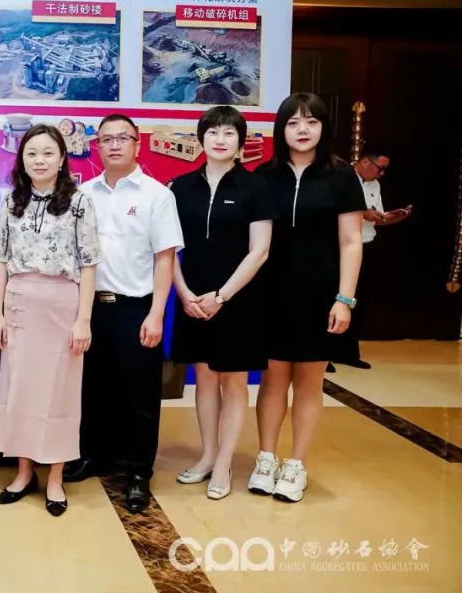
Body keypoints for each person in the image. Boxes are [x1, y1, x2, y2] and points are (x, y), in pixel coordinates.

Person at [65, 114, 184, 514]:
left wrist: (157, 314)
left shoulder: (157, 195)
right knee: (93, 389)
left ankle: (138, 473)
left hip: (136, 308)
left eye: (123, 138)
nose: (114, 145)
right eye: (106, 139)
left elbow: (165, 258)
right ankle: (93, 456)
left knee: (141, 395)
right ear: (96, 146)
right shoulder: (84, 194)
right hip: (91, 308)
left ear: (137, 144)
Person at [250, 92, 364, 503]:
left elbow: (351, 241)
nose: (302, 129)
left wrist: (344, 299)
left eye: (311, 122)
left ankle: (296, 464)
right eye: (294, 122)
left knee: (309, 382)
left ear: (323, 128)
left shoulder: (341, 176)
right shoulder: (264, 176)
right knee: (273, 378)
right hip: (271, 293)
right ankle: (266, 458)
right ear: (281, 129)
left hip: (320, 295)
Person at [0, 125, 99, 517]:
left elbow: (89, 264)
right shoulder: (10, 201)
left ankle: (55, 477)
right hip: (19, 304)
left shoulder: (80, 202)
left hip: (62, 306)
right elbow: (0, 261)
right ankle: (24, 473)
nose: (40, 160)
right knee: (20, 390)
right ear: (22, 158)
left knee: (59, 393)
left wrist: (83, 320)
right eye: (32, 153)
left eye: (48, 153)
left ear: (62, 158)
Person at [168, 106, 274, 500]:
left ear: (241, 142)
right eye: (212, 132)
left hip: (239, 300)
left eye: (229, 133)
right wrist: (184, 293)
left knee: (233, 380)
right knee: (204, 378)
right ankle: (208, 455)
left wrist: (223, 296)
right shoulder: (180, 187)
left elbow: (259, 251)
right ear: (201, 138)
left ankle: (225, 463)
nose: (219, 139)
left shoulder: (256, 188)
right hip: (193, 299)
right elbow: (167, 248)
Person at [327, 151, 411, 371]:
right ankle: (324, 354)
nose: (381, 173)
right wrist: (363, 213)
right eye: (380, 168)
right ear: (365, 161)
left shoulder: (375, 185)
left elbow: (376, 218)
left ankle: (347, 352)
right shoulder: (340, 176)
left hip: (365, 245)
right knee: (331, 298)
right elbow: (331, 210)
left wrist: (391, 218)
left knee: (357, 301)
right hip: (339, 246)